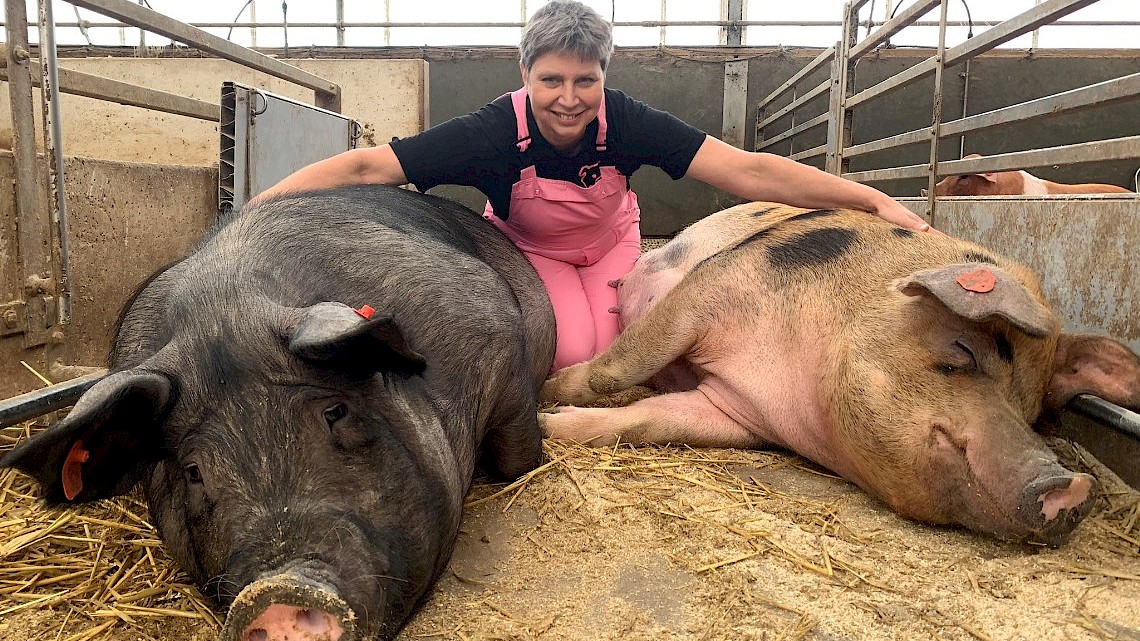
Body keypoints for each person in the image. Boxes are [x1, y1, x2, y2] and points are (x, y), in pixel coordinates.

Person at [253, 0, 935, 374]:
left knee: (632, 349)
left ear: (604, 76)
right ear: (526, 72)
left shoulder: (631, 122)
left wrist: (868, 198)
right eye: (551, 79)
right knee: (574, 354)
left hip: (611, 239)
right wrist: (260, 207)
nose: (569, 98)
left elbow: (747, 170)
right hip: (532, 249)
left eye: (586, 80)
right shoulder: (494, 132)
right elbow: (373, 167)